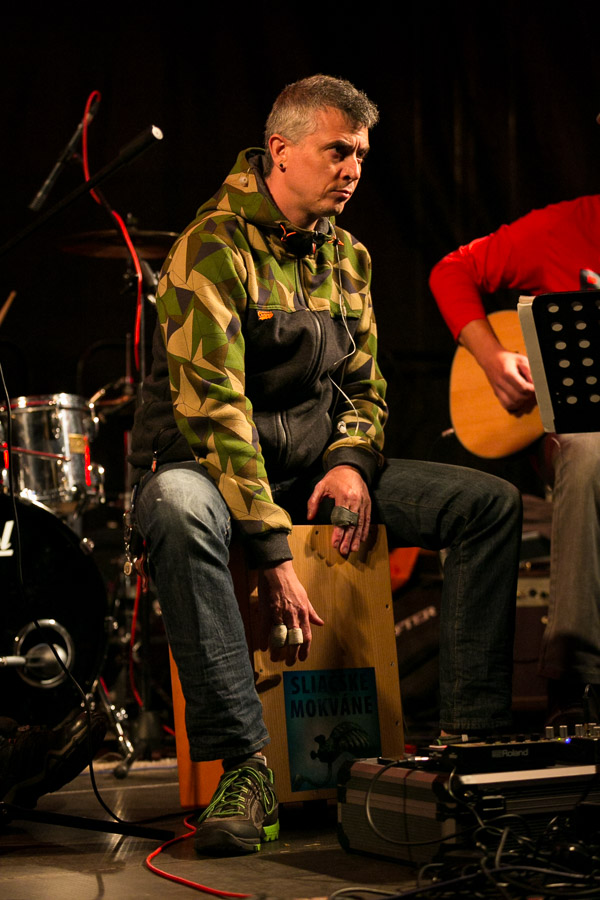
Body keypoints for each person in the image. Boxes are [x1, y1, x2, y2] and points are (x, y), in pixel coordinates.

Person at [129, 75, 521, 856]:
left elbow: (367, 389)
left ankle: (468, 750)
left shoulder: (349, 257)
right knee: (175, 507)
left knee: (488, 504)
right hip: (207, 468)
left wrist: (350, 463)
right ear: (281, 151)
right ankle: (245, 768)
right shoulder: (212, 247)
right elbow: (216, 415)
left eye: (362, 155)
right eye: (337, 151)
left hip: (309, 467)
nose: (353, 169)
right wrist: (271, 550)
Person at [429, 195, 600, 722]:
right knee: (592, 450)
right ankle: (576, 676)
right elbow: (452, 271)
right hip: (579, 437)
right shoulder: (569, 225)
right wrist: (493, 357)